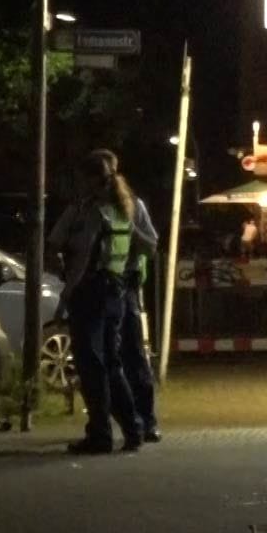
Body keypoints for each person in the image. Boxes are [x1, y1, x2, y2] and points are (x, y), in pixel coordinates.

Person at [48, 150, 146, 454]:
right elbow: (144, 247)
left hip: (90, 293)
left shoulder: (92, 212)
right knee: (112, 364)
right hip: (115, 292)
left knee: (92, 366)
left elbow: (81, 262)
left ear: (88, 179)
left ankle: (100, 434)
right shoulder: (123, 209)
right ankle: (133, 429)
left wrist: (65, 298)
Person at [93, 150, 162, 443]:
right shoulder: (90, 207)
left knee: (133, 354)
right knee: (109, 358)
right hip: (101, 287)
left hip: (127, 285)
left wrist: (130, 234)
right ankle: (117, 422)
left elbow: (151, 245)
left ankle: (145, 420)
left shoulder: (133, 207)